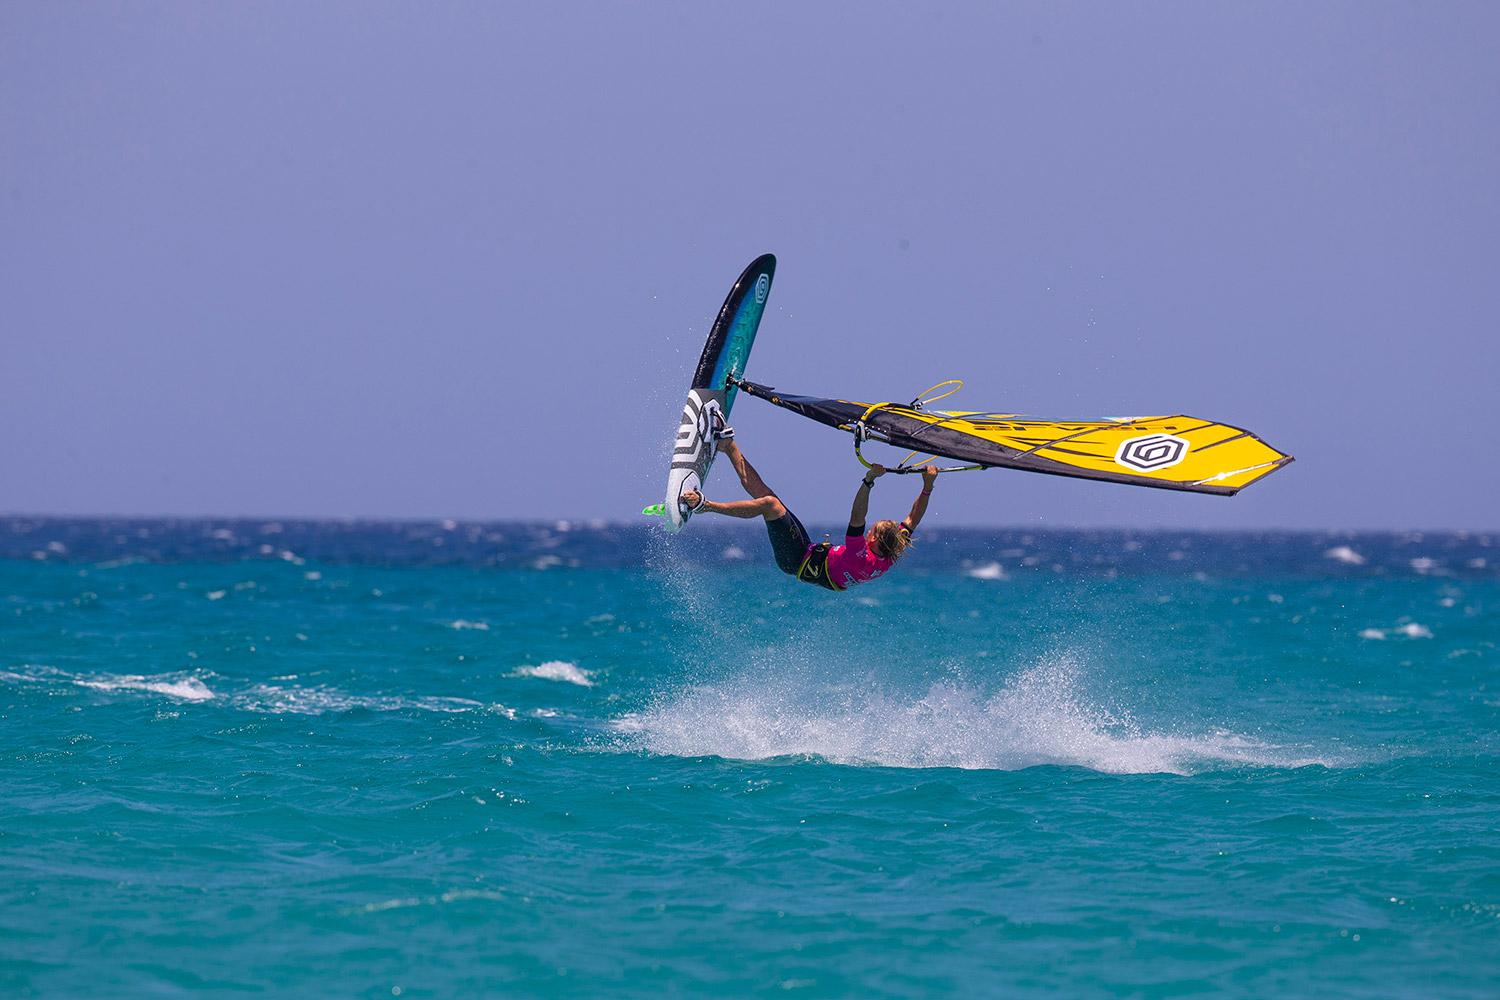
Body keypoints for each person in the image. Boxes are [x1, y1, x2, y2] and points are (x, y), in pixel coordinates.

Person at [681, 430, 937, 592]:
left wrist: (869, 480)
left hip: (795, 559)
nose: (869, 531)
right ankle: (728, 446)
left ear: (876, 539)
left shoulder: (861, 556)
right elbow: (913, 519)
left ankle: (705, 506)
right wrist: (927, 486)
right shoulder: (890, 554)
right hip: (807, 551)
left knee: (770, 505)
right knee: (770, 499)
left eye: (872, 531)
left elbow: (857, 517)